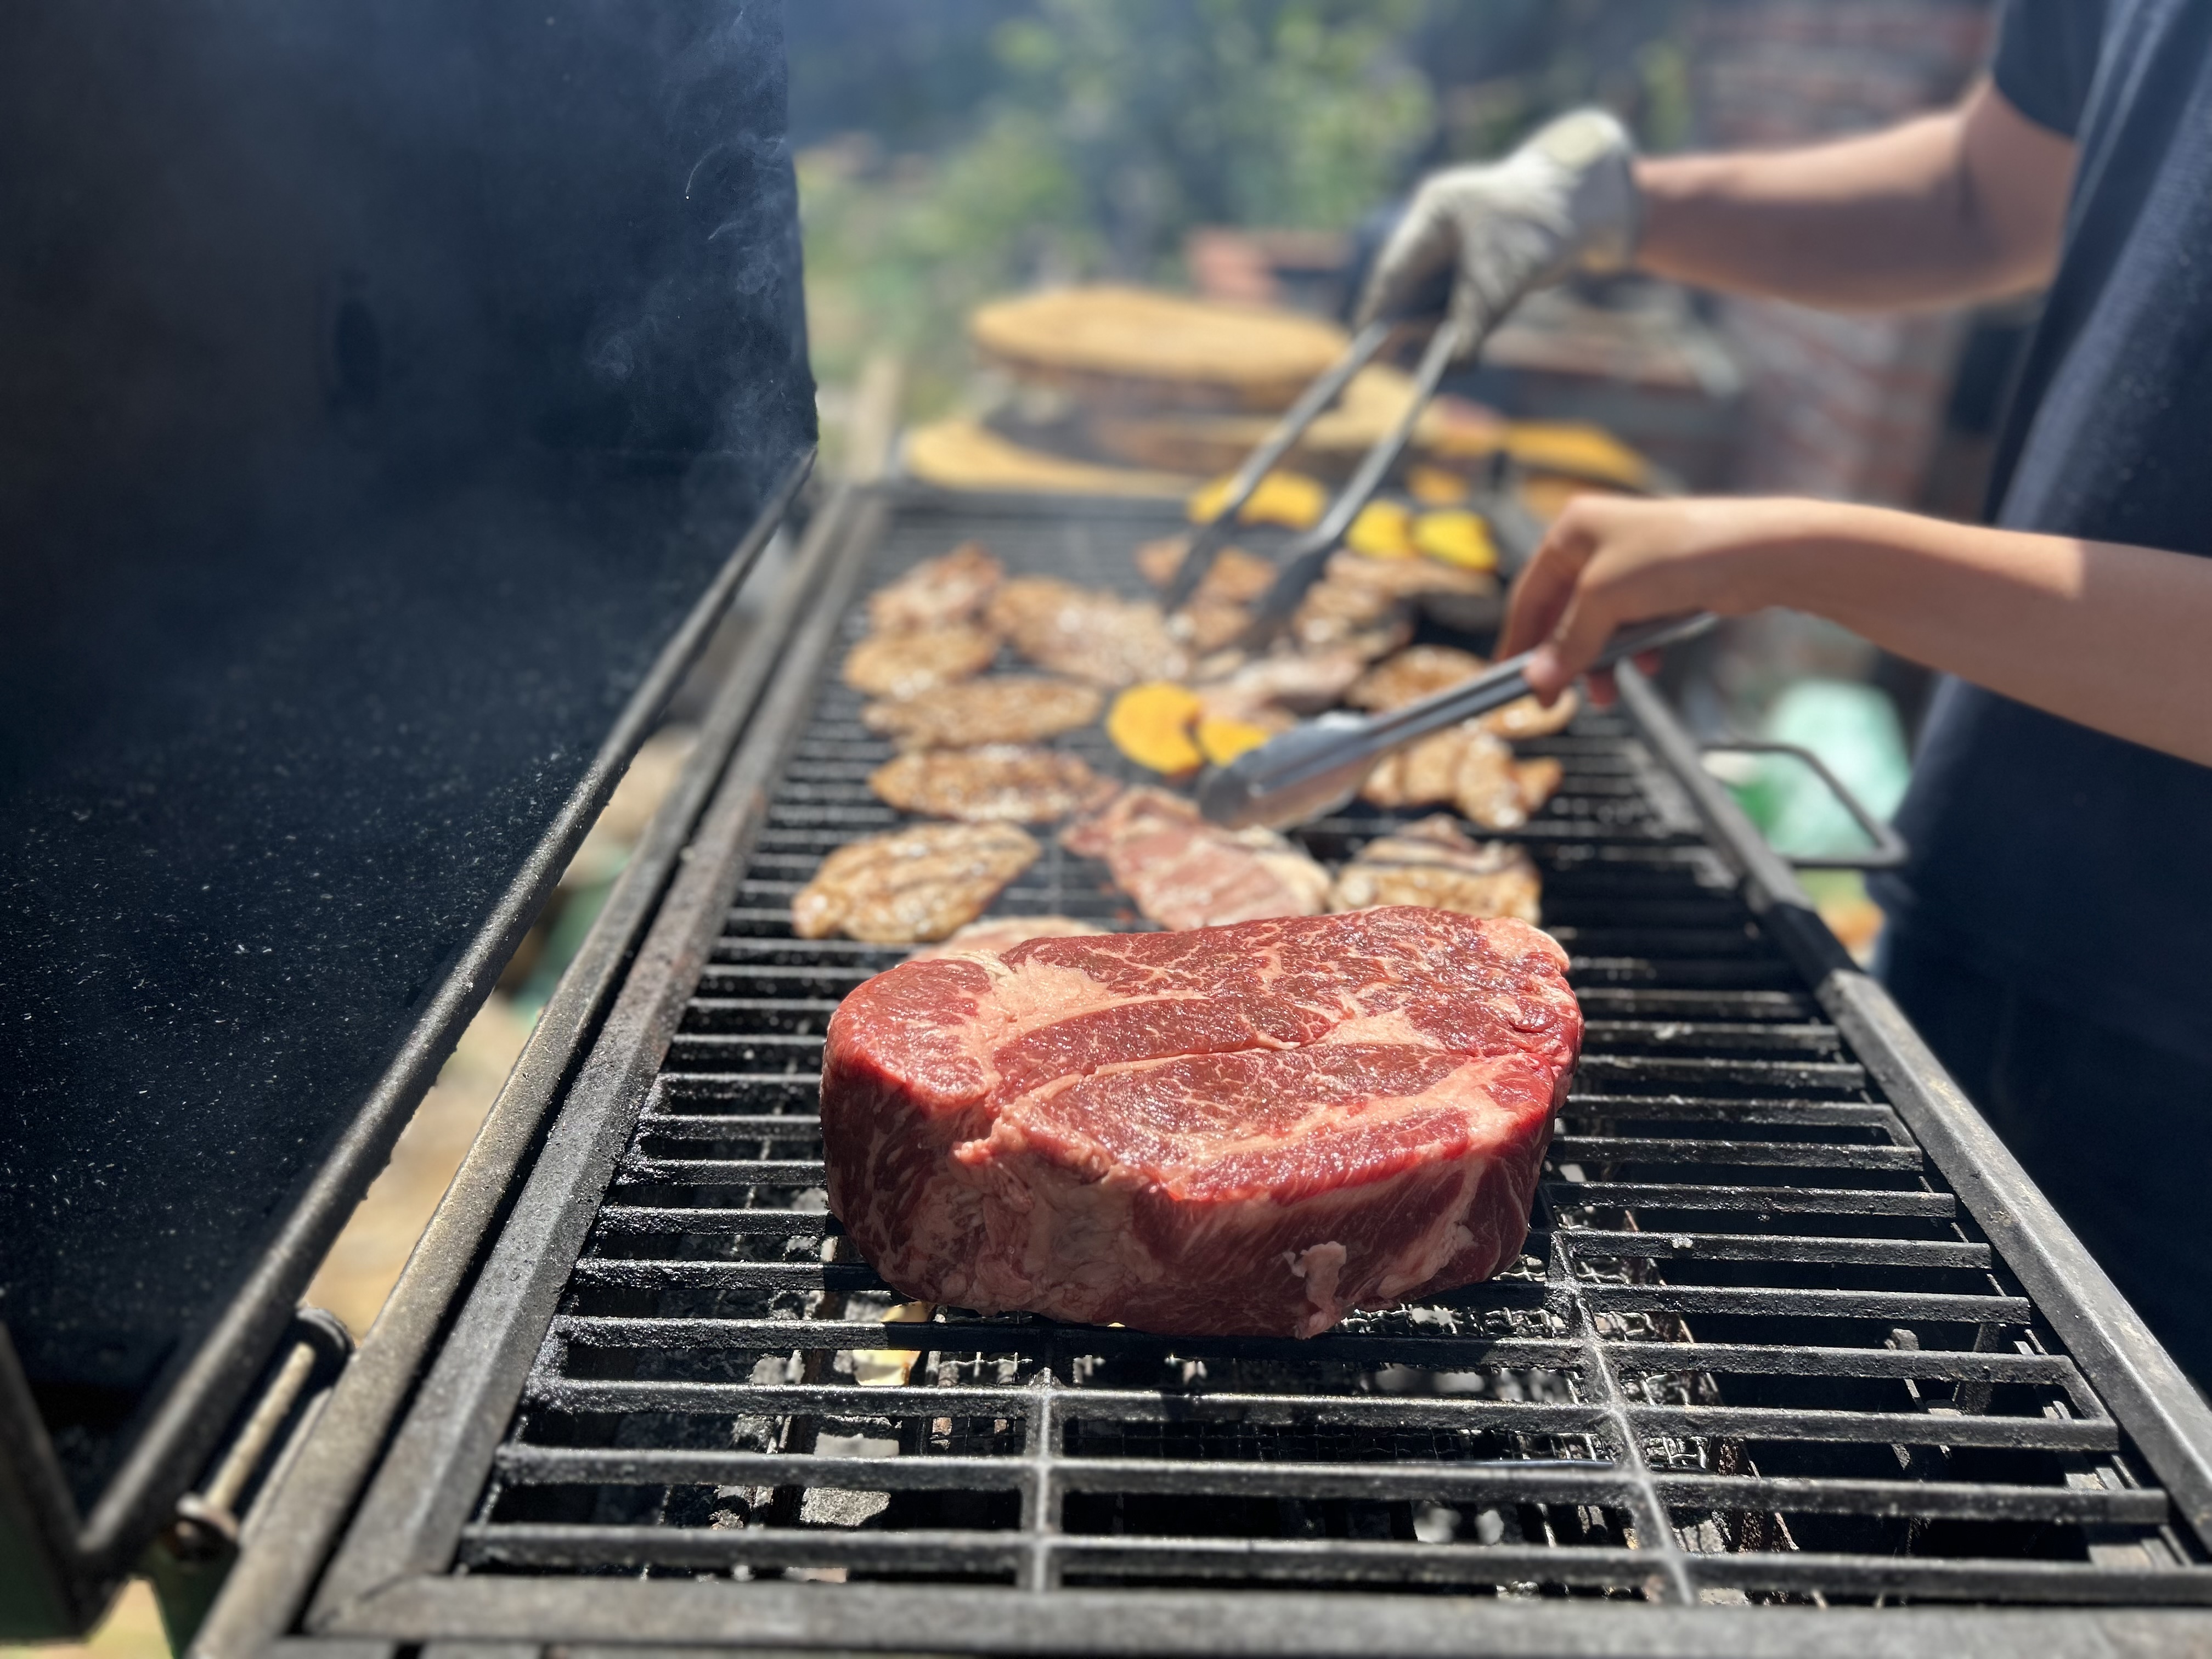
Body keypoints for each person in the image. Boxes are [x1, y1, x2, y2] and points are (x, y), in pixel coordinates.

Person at [1358, 0, 2212, 1388]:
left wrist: (1800, 552)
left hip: (2189, 1078)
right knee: (1814, 1456)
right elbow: (1977, 193)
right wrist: (1617, 203)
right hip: (1978, 896)